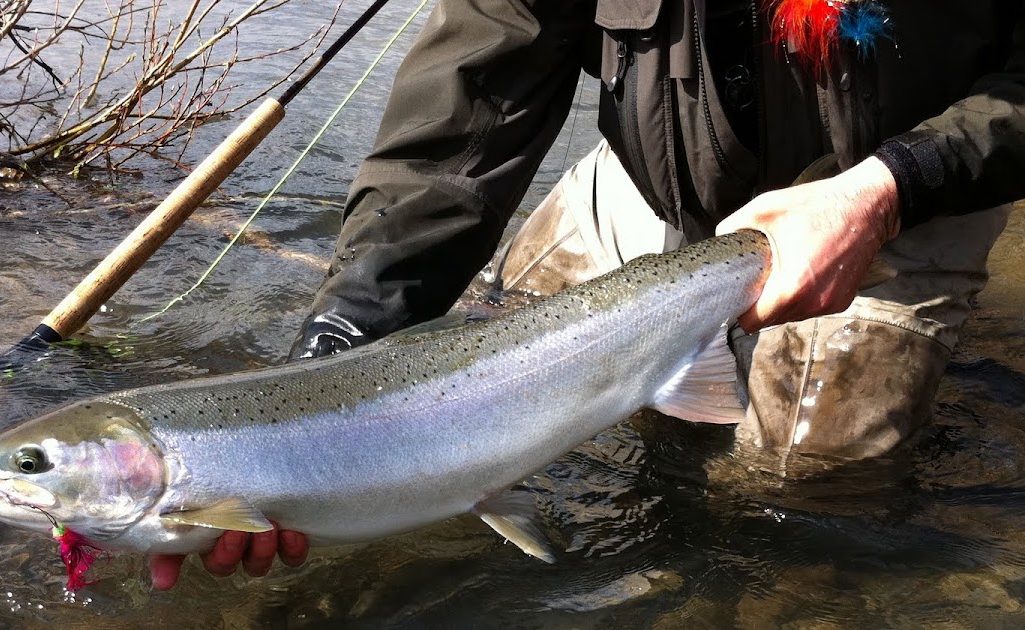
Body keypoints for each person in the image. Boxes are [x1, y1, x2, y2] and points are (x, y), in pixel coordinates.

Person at [150, 0, 1025, 588]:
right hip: (655, 181)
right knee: (477, 343)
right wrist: (335, 353)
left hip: (909, 190)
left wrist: (889, 189)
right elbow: (470, 106)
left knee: (790, 511)